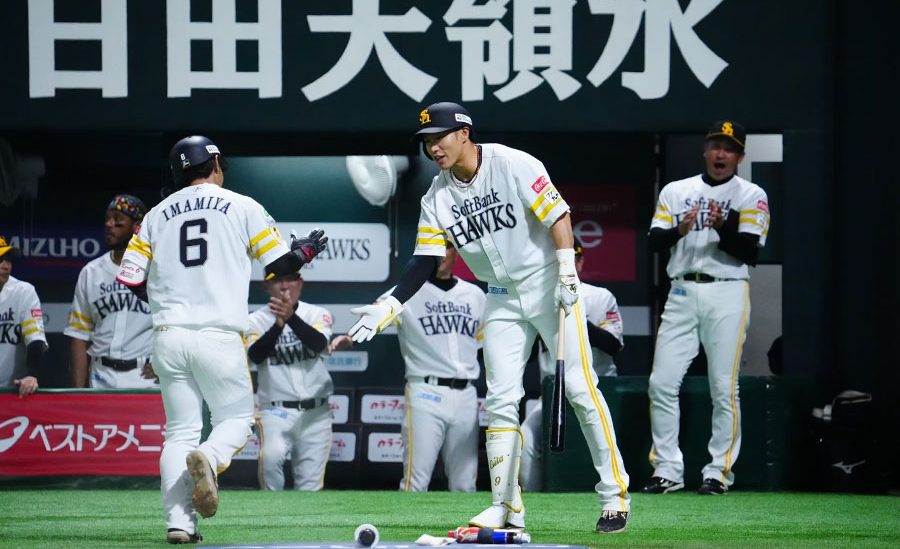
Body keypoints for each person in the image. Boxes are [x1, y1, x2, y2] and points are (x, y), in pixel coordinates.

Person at [348, 102, 631, 534]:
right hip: (499, 296)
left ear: (464, 133)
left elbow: (559, 214)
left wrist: (567, 270)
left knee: (578, 386)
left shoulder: (511, 162)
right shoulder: (436, 198)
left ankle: (614, 495)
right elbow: (424, 260)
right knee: (500, 399)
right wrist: (391, 303)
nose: (433, 148)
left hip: (547, 282)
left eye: (439, 137)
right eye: (425, 142)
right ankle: (506, 507)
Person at [115, 135, 327, 545]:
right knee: (236, 420)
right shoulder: (241, 204)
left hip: (168, 335)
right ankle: (209, 460)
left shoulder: (156, 214)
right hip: (217, 333)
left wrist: (161, 302)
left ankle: (179, 524)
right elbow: (279, 265)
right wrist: (304, 253)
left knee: (179, 432)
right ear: (213, 163)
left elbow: (128, 276)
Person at [642, 120, 770, 496]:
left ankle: (718, 472)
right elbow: (653, 242)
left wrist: (722, 227)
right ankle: (667, 470)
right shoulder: (677, 190)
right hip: (682, 290)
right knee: (661, 383)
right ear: (705, 149)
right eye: (716, 145)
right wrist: (680, 230)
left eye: (729, 148)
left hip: (727, 290)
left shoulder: (751, 194)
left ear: (740, 156)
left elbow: (751, 252)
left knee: (722, 387)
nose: (721, 153)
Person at [520, 238, 624, 491]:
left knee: (603, 441)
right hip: (554, 395)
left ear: (579, 261)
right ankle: (532, 497)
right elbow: (530, 354)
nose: (568, 266)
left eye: (573, 259)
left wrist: (574, 319)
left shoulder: (599, 296)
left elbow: (615, 344)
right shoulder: (540, 301)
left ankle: (614, 490)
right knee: (525, 438)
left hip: (597, 388)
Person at [380, 243, 485, 492]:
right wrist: (351, 337)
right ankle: (406, 531)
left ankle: (462, 532)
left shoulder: (475, 295)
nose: (441, 254)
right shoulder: (404, 292)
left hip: (466, 394)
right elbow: (375, 315)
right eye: (434, 248)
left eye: (447, 247)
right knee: (415, 480)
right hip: (425, 391)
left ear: (456, 253)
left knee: (465, 483)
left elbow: (483, 344)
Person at [246, 270, 348, 491]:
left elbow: (319, 343)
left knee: (310, 487)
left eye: (290, 278)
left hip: (316, 413)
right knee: (271, 459)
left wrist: (290, 317)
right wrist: (279, 324)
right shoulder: (254, 320)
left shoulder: (317, 313)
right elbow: (255, 356)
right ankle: (271, 518)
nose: (284, 286)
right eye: (277, 280)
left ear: (300, 283)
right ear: (265, 286)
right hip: (275, 411)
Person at [65, 195, 157, 389]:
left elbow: (175, 322)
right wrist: (77, 394)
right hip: (101, 376)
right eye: (107, 218)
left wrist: (166, 362)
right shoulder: (91, 272)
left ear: (137, 227)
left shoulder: (157, 270)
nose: (109, 224)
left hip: (145, 377)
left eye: (117, 220)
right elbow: (79, 336)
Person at [0, 236, 47, 398]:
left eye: (8, 260)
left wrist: (31, 375)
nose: (6, 266)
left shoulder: (23, 292)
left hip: (11, 393)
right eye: (0, 260)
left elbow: (36, 339)